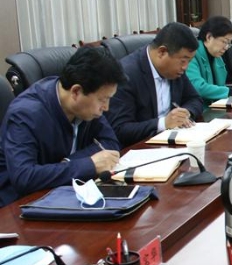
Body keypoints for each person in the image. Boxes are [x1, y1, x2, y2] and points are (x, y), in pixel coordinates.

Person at [0, 47, 126, 206]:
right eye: (103, 100)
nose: (106, 107)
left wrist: (69, 163)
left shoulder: (85, 106)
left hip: (66, 193)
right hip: (20, 206)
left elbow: (110, 144)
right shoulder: (25, 113)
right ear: (76, 92)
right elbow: (24, 177)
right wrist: (89, 165)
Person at [105, 22, 204, 148]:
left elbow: (195, 99)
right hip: (141, 149)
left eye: (189, 61)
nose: (185, 67)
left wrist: (185, 114)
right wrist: (163, 123)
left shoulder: (175, 71)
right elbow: (120, 129)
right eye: (183, 61)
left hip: (174, 142)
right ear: (162, 52)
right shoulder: (127, 74)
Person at [186, 16, 232, 105]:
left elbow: (220, 86)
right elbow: (198, 87)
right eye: (224, 42)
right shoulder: (191, 55)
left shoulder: (217, 57)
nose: (226, 47)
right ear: (209, 37)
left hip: (217, 106)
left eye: (229, 43)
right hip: (199, 109)